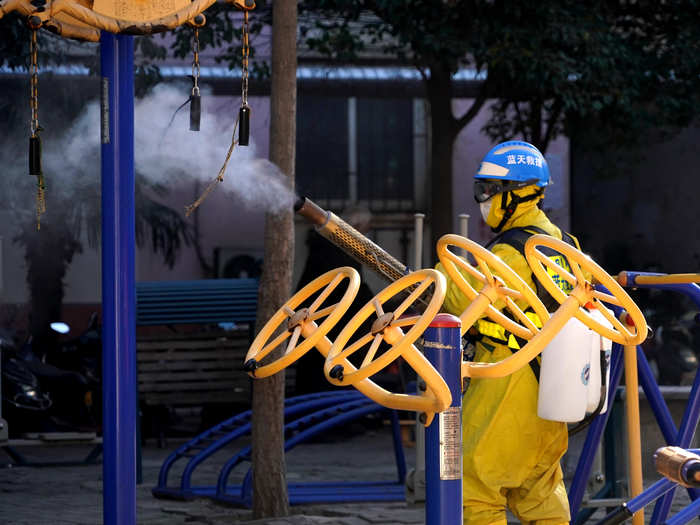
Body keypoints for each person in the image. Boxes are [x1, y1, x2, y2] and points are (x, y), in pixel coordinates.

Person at [436, 140, 582, 525]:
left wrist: (443, 271)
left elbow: (456, 302)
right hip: (554, 388)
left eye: (489, 191)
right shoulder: (565, 245)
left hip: (508, 382)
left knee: (474, 487)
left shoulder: (510, 253)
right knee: (540, 492)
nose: (483, 200)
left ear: (516, 195)